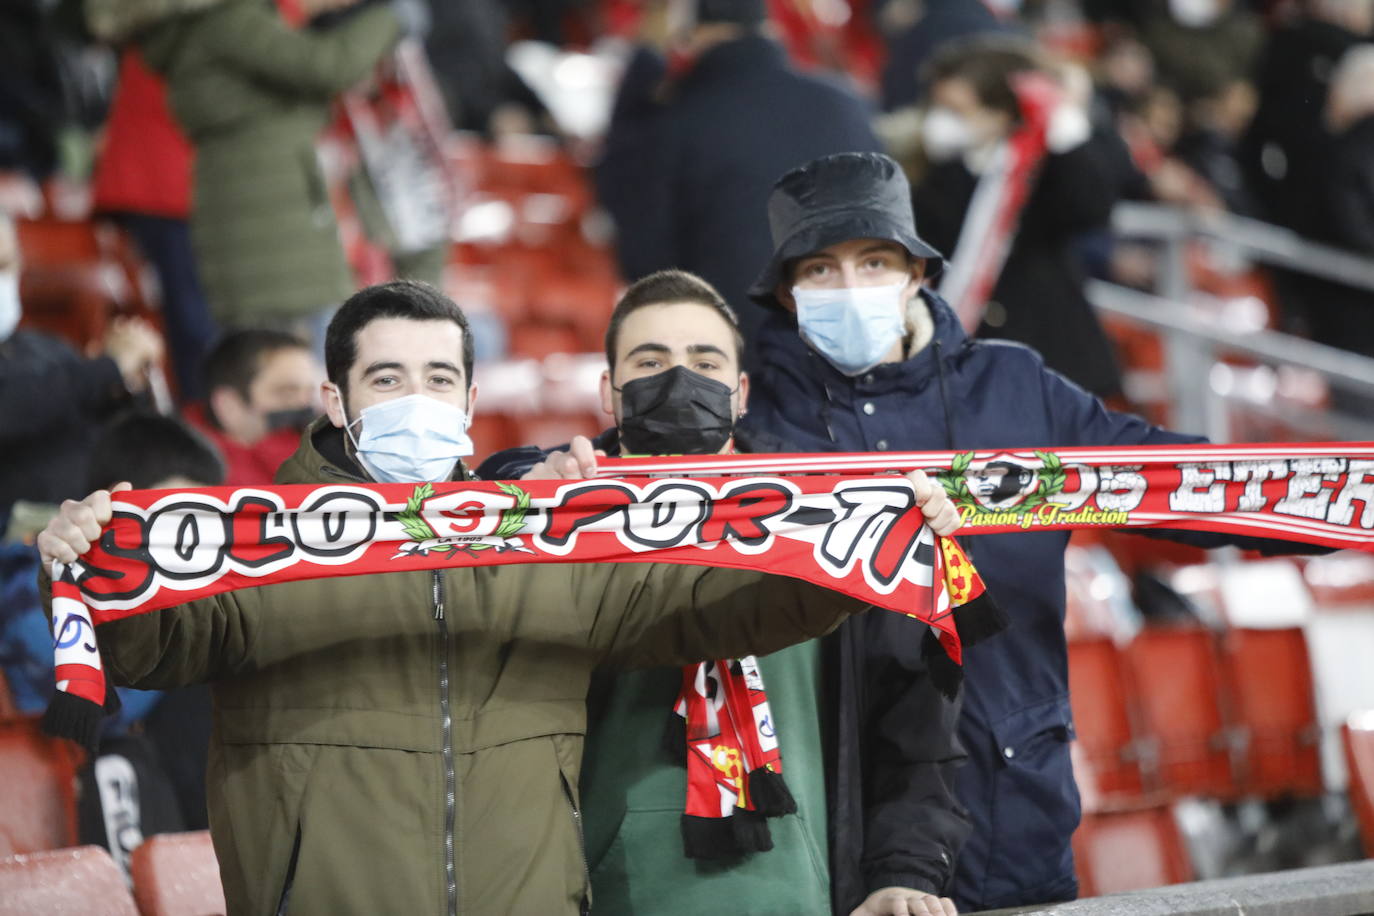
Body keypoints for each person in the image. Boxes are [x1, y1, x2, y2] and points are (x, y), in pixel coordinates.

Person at [36, 278, 950, 916]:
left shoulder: (547, 544)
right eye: (386, 379)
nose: (416, 399)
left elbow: (720, 606)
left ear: (471, 399)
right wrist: (80, 564)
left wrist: (860, 550)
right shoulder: (257, 548)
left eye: (438, 379)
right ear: (336, 398)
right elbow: (152, 645)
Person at [738, 151, 1315, 911]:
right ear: (787, 293)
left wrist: (1345, 502)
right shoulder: (750, 429)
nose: (849, 289)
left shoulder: (1016, 390)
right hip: (828, 833)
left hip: (1010, 815)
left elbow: (1177, 482)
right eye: (820, 271)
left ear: (917, 272)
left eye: (874, 261)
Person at [479, 270, 964, 916]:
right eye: (650, 362)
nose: (679, 381)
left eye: (704, 362)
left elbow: (911, 721)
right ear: (608, 390)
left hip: (808, 894)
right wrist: (524, 490)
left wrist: (901, 871)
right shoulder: (554, 516)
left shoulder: (827, 519)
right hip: (606, 895)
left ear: (740, 393)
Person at [595, 0, 881, 371]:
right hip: (853, 350)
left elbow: (644, 259)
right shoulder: (846, 104)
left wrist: (645, 58)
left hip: (736, 362)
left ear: (688, 29)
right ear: (769, 27)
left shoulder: (675, 123)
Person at [134, 0, 403, 338]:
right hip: (277, 243)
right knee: (306, 366)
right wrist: (388, 17)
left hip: (262, 231)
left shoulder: (205, 25)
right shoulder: (229, 18)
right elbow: (325, 67)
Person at [912, 38, 1125, 398]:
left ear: (1000, 112)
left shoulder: (1040, 170)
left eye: (955, 110)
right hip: (977, 368)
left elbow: (1091, 207)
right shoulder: (939, 177)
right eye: (938, 107)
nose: (941, 121)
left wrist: (1063, 133)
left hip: (1054, 362)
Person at [0, 213, 164, 534]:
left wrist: (128, 383)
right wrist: (109, 366)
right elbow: (13, 406)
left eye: (4, 266)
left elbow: (115, 427)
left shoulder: (43, 346)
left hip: (98, 529)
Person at [186, 328, 323, 485]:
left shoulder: (320, 447)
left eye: (309, 392)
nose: (306, 406)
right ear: (228, 405)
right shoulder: (196, 482)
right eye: (287, 393)